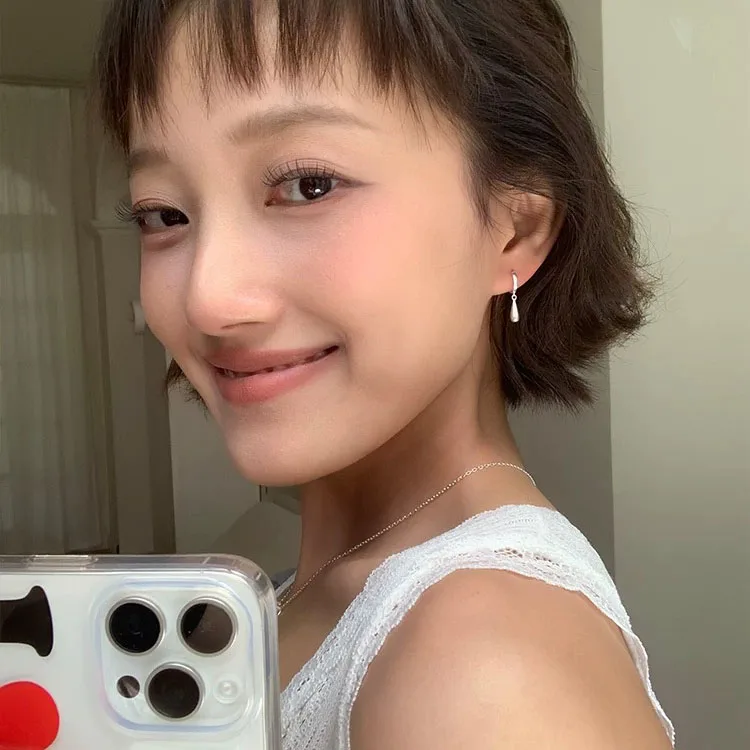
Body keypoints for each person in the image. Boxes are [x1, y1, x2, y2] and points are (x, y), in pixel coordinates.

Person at [95, 0, 675, 747]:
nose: (207, 297)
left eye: (308, 185)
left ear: (515, 228)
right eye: (162, 214)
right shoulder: (309, 589)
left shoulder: (482, 667)